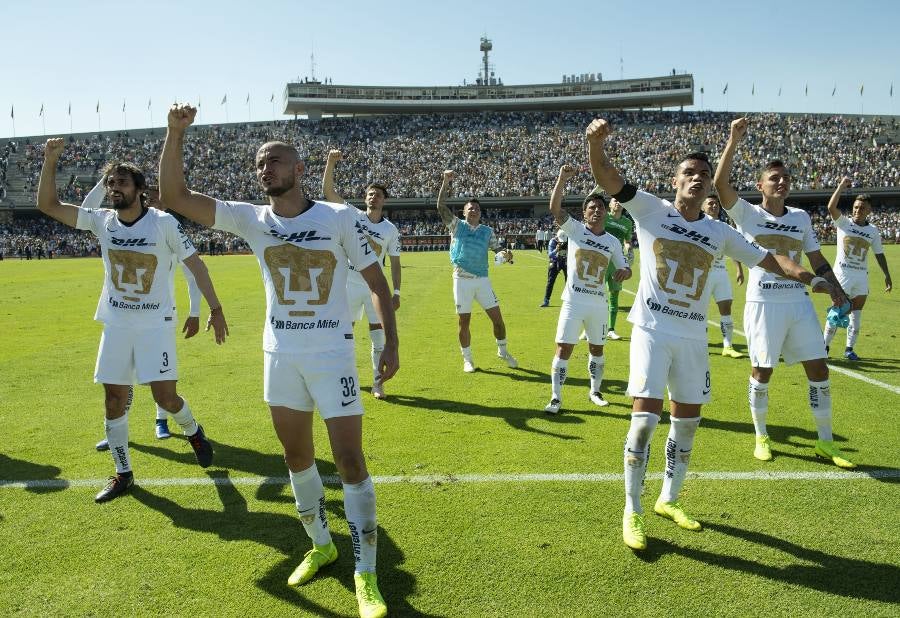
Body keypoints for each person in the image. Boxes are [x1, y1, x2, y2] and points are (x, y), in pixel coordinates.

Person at [160, 104, 397, 618]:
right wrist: (175, 133)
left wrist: (391, 343)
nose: (265, 169)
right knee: (297, 459)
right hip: (281, 355)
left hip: (333, 354)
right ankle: (321, 544)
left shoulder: (338, 218)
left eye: (275, 161)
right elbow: (173, 198)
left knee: (351, 463)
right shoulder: (252, 217)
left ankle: (366, 572)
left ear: (299, 169)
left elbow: (377, 283)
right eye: (260, 163)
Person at [586, 118, 842, 551]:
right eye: (690, 173)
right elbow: (609, 178)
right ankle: (632, 507)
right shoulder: (651, 209)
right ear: (676, 181)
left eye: (704, 176)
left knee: (686, 425)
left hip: (691, 338)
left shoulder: (719, 232)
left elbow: (772, 261)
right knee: (645, 421)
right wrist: (595, 146)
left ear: (709, 189)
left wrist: (815, 280)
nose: (698, 179)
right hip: (651, 329)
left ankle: (669, 499)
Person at [37, 138, 227, 504]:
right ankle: (123, 472)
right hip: (117, 323)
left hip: (155, 324)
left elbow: (196, 264)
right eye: (111, 183)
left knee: (166, 398)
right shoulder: (101, 221)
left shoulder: (164, 223)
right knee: (113, 398)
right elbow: (48, 205)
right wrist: (50, 160)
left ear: (140, 190)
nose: (114, 188)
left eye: (122, 182)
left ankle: (193, 430)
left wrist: (214, 309)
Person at [714, 117, 855, 469]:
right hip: (763, 304)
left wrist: (835, 288)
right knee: (763, 371)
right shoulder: (746, 213)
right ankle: (761, 434)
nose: (781, 182)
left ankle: (825, 442)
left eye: (785, 178)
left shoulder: (801, 217)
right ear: (760, 184)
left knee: (819, 369)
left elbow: (817, 258)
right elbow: (719, 184)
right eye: (773, 178)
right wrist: (733, 141)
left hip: (799, 303)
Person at [93, 184, 206, 451]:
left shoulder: (166, 228)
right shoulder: (119, 224)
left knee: (161, 383)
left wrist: (195, 311)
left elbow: (193, 274)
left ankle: (162, 421)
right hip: (123, 317)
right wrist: (103, 180)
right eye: (148, 198)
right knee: (120, 384)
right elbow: (88, 210)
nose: (151, 202)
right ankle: (117, 432)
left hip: (158, 317)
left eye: (157, 199)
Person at [544, 164, 630, 415]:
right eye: (591, 208)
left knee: (597, 349)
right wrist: (561, 178)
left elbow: (624, 267)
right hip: (573, 302)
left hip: (598, 303)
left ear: (605, 213)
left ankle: (595, 391)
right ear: (584, 214)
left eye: (600, 207)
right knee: (564, 349)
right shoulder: (575, 230)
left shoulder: (613, 242)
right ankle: (556, 398)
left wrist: (625, 272)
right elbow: (555, 209)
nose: (596, 210)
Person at [323, 149, 402, 399]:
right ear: (364, 198)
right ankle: (341, 379)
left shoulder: (390, 230)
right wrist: (330, 162)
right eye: (369, 194)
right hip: (348, 284)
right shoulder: (353, 216)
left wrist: (397, 292)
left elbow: (396, 262)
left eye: (377, 195)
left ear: (384, 201)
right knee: (343, 335)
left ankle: (378, 383)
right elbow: (329, 192)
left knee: (378, 338)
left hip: (374, 289)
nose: (372, 197)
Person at [436, 170, 517, 373]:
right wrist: (446, 181)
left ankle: (503, 351)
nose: (474, 211)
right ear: (464, 212)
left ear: (480, 213)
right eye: (470, 208)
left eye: (477, 209)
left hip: (482, 280)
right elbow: (440, 206)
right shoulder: (456, 225)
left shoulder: (487, 231)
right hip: (461, 280)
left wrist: (506, 254)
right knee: (464, 322)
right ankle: (468, 359)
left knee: (498, 320)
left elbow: (498, 250)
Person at [823, 178, 892, 360]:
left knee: (856, 316)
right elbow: (831, 207)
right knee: (836, 313)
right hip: (842, 275)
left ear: (869, 210)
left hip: (861, 278)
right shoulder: (844, 223)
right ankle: (825, 347)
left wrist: (887, 275)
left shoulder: (873, 231)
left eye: (862, 208)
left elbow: (879, 254)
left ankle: (849, 349)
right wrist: (840, 186)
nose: (857, 211)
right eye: (855, 207)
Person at [701, 195, 745, 358]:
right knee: (700, 310)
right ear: (702, 207)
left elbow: (732, 249)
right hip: (703, 274)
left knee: (726, 309)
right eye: (710, 203)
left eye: (716, 203)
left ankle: (728, 347)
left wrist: (739, 269)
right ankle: (700, 344)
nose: (714, 206)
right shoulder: (697, 224)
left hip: (720, 273)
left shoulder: (724, 227)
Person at [602, 197, 634, 340]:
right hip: (601, 259)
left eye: (620, 200)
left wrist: (629, 249)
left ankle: (611, 329)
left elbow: (627, 241)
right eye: (615, 200)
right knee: (594, 293)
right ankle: (588, 328)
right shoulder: (603, 217)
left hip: (616, 262)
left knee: (614, 295)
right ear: (609, 204)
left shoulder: (627, 222)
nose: (618, 202)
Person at [540, 229, 568, 307]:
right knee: (550, 281)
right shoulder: (553, 241)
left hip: (566, 261)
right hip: (555, 261)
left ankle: (568, 301)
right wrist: (556, 249)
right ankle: (546, 300)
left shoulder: (569, 240)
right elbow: (550, 255)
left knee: (569, 282)